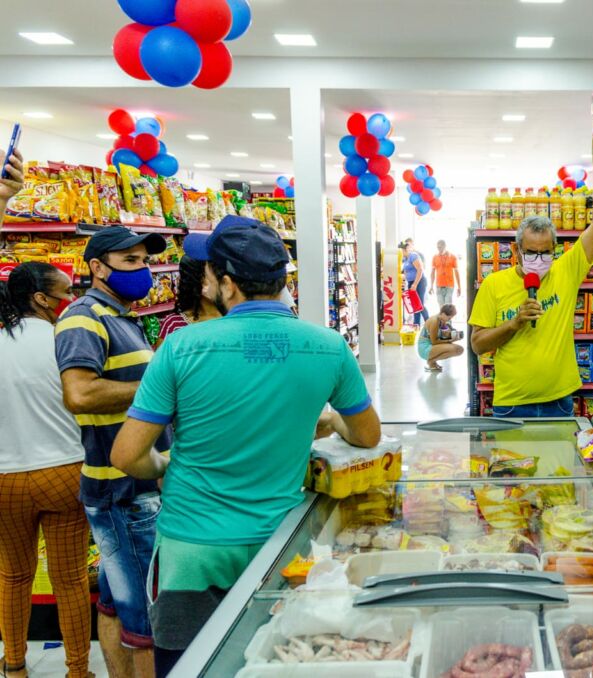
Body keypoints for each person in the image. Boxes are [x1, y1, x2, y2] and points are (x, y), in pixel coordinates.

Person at [108, 216, 381, 676]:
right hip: (279, 542)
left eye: (209, 273)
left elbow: (127, 456)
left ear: (228, 284)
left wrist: (163, 464)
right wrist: (331, 420)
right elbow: (368, 435)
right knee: (277, 662)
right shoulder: (328, 347)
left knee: (188, 665)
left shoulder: (181, 347)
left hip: (192, 549)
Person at [55, 226, 172, 678]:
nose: (143, 270)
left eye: (145, 261)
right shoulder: (83, 318)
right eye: (130, 261)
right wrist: (158, 389)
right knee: (146, 623)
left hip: (131, 487)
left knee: (112, 604)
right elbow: (80, 394)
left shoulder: (122, 316)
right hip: (123, 492)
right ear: (97, 267)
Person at [469, 130, 593, 417]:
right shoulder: (494, 284)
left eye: (545, 252)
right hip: (511, 402)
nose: (538, 259)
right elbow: (477, 344)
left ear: (555, 250)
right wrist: (514, 324)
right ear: (516, 250)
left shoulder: (566, 270)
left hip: (559, 399)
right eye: (531, 252)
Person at [0, 264, 94, 678]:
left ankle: (15, 665)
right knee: (70, 580)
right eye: (66, 291)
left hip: (6, 477)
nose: (71, 299)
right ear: (41, 298)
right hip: (65, 471)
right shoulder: (65, 341)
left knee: (13, 575)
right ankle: (78, 670)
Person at [154, 256, 221, 348]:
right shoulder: (174, 324)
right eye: (217, 275)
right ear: (200, 282)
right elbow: (161, 357)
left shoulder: (234, 318)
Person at [419, 303, 464, 371]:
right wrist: (449, 341)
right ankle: (431, 362)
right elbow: (434, 342)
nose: (449, 320)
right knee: (457, 349)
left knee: (459, 349)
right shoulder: (435, 321)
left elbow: (441, 335)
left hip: (430, 345)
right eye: (449, 318)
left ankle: (432, 362)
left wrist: (452, 335)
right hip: (425, 348)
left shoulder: (440, 320)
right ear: (443, 314)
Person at [400, 239, 429, 326]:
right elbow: (406, 271)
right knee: (415, 305)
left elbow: (420, 269)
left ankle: (429, 323)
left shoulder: (413, 256)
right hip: (411, 282)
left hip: (419, 282)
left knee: (420, 304)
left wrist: (415, 284)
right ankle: (416, 324)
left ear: (405, 249)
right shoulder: (404, 259)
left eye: (401, 250)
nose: (400, 252)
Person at [430, 239, 461, 305]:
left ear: (445, 246)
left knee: (447, 306)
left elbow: (456, 272)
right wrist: (431, 286)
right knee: (441, 306)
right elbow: (432, 272)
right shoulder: (435, 257)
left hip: (449, 285)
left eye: (440, 247)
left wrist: (459, 286)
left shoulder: (452, 257)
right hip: (439, 286)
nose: (439, 249)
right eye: (437, 247)